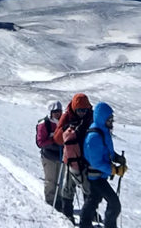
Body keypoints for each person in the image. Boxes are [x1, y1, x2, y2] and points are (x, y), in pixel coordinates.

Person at [80, 102, 126, 228]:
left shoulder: (103, 131)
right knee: (114, 204)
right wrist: (114, 169)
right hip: (95, 176)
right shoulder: (94, 137)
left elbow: (106, 152)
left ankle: (84, 224)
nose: (112, 122)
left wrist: (117, 158)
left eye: (112, 119)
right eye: (109, 119)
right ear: (102, 119)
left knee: (93, 200)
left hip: (99, 175)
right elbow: (96, 162)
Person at [53, 93, 94, 223]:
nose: (82, 112)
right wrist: (66, 128)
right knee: (68, 187)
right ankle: (67, 214)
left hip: (86, 158)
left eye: (85, 110)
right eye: (80, 110)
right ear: (74, 108)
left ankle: (89, 215)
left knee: (88, 188)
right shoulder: (67, 116)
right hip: (70, 158)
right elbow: (58, 139)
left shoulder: (90, 116)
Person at [36, 101, 65, 210]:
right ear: (50, 112)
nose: (58, 114)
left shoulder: (63, 122)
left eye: (59, 111)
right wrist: (53, 140)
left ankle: (59, 201)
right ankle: (50, 201)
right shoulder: (44, 124)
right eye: (55, 112)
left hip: (61, 156)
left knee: (61, 181)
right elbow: (40, 142)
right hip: (48, 157)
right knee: (51, 180)